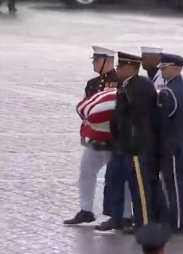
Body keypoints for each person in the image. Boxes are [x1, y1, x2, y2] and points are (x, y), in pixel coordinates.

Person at [64, 46, 126, 225]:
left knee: (116, 176)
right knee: (86, 171)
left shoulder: (120, 82)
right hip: (97, 138)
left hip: (115, 139)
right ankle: (86, 210)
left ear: (108, 61)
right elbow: (87, 110)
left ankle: (119, 213)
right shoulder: (92, 83)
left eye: (97, 60)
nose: (94, 63)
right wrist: (85, 132)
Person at [107, 51, 158, 233]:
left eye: (120, 67)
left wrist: (129, 138)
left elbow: (138, 116)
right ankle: (132, 220)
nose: (118, 70)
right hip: (128, 143)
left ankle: (143, 223)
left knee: (140, 187)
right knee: (129, 182)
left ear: (130, 67)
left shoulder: (139, 86)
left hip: (137, 143)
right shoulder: (128, 85)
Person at [156, 53, 183, 234]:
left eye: (164, 68)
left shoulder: (168, 91)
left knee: (174, 184)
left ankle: (178, 222)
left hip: (171, 143)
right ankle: (177, 219)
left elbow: (162, 119)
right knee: (178, 182)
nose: (162, 71)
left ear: (174, 68)